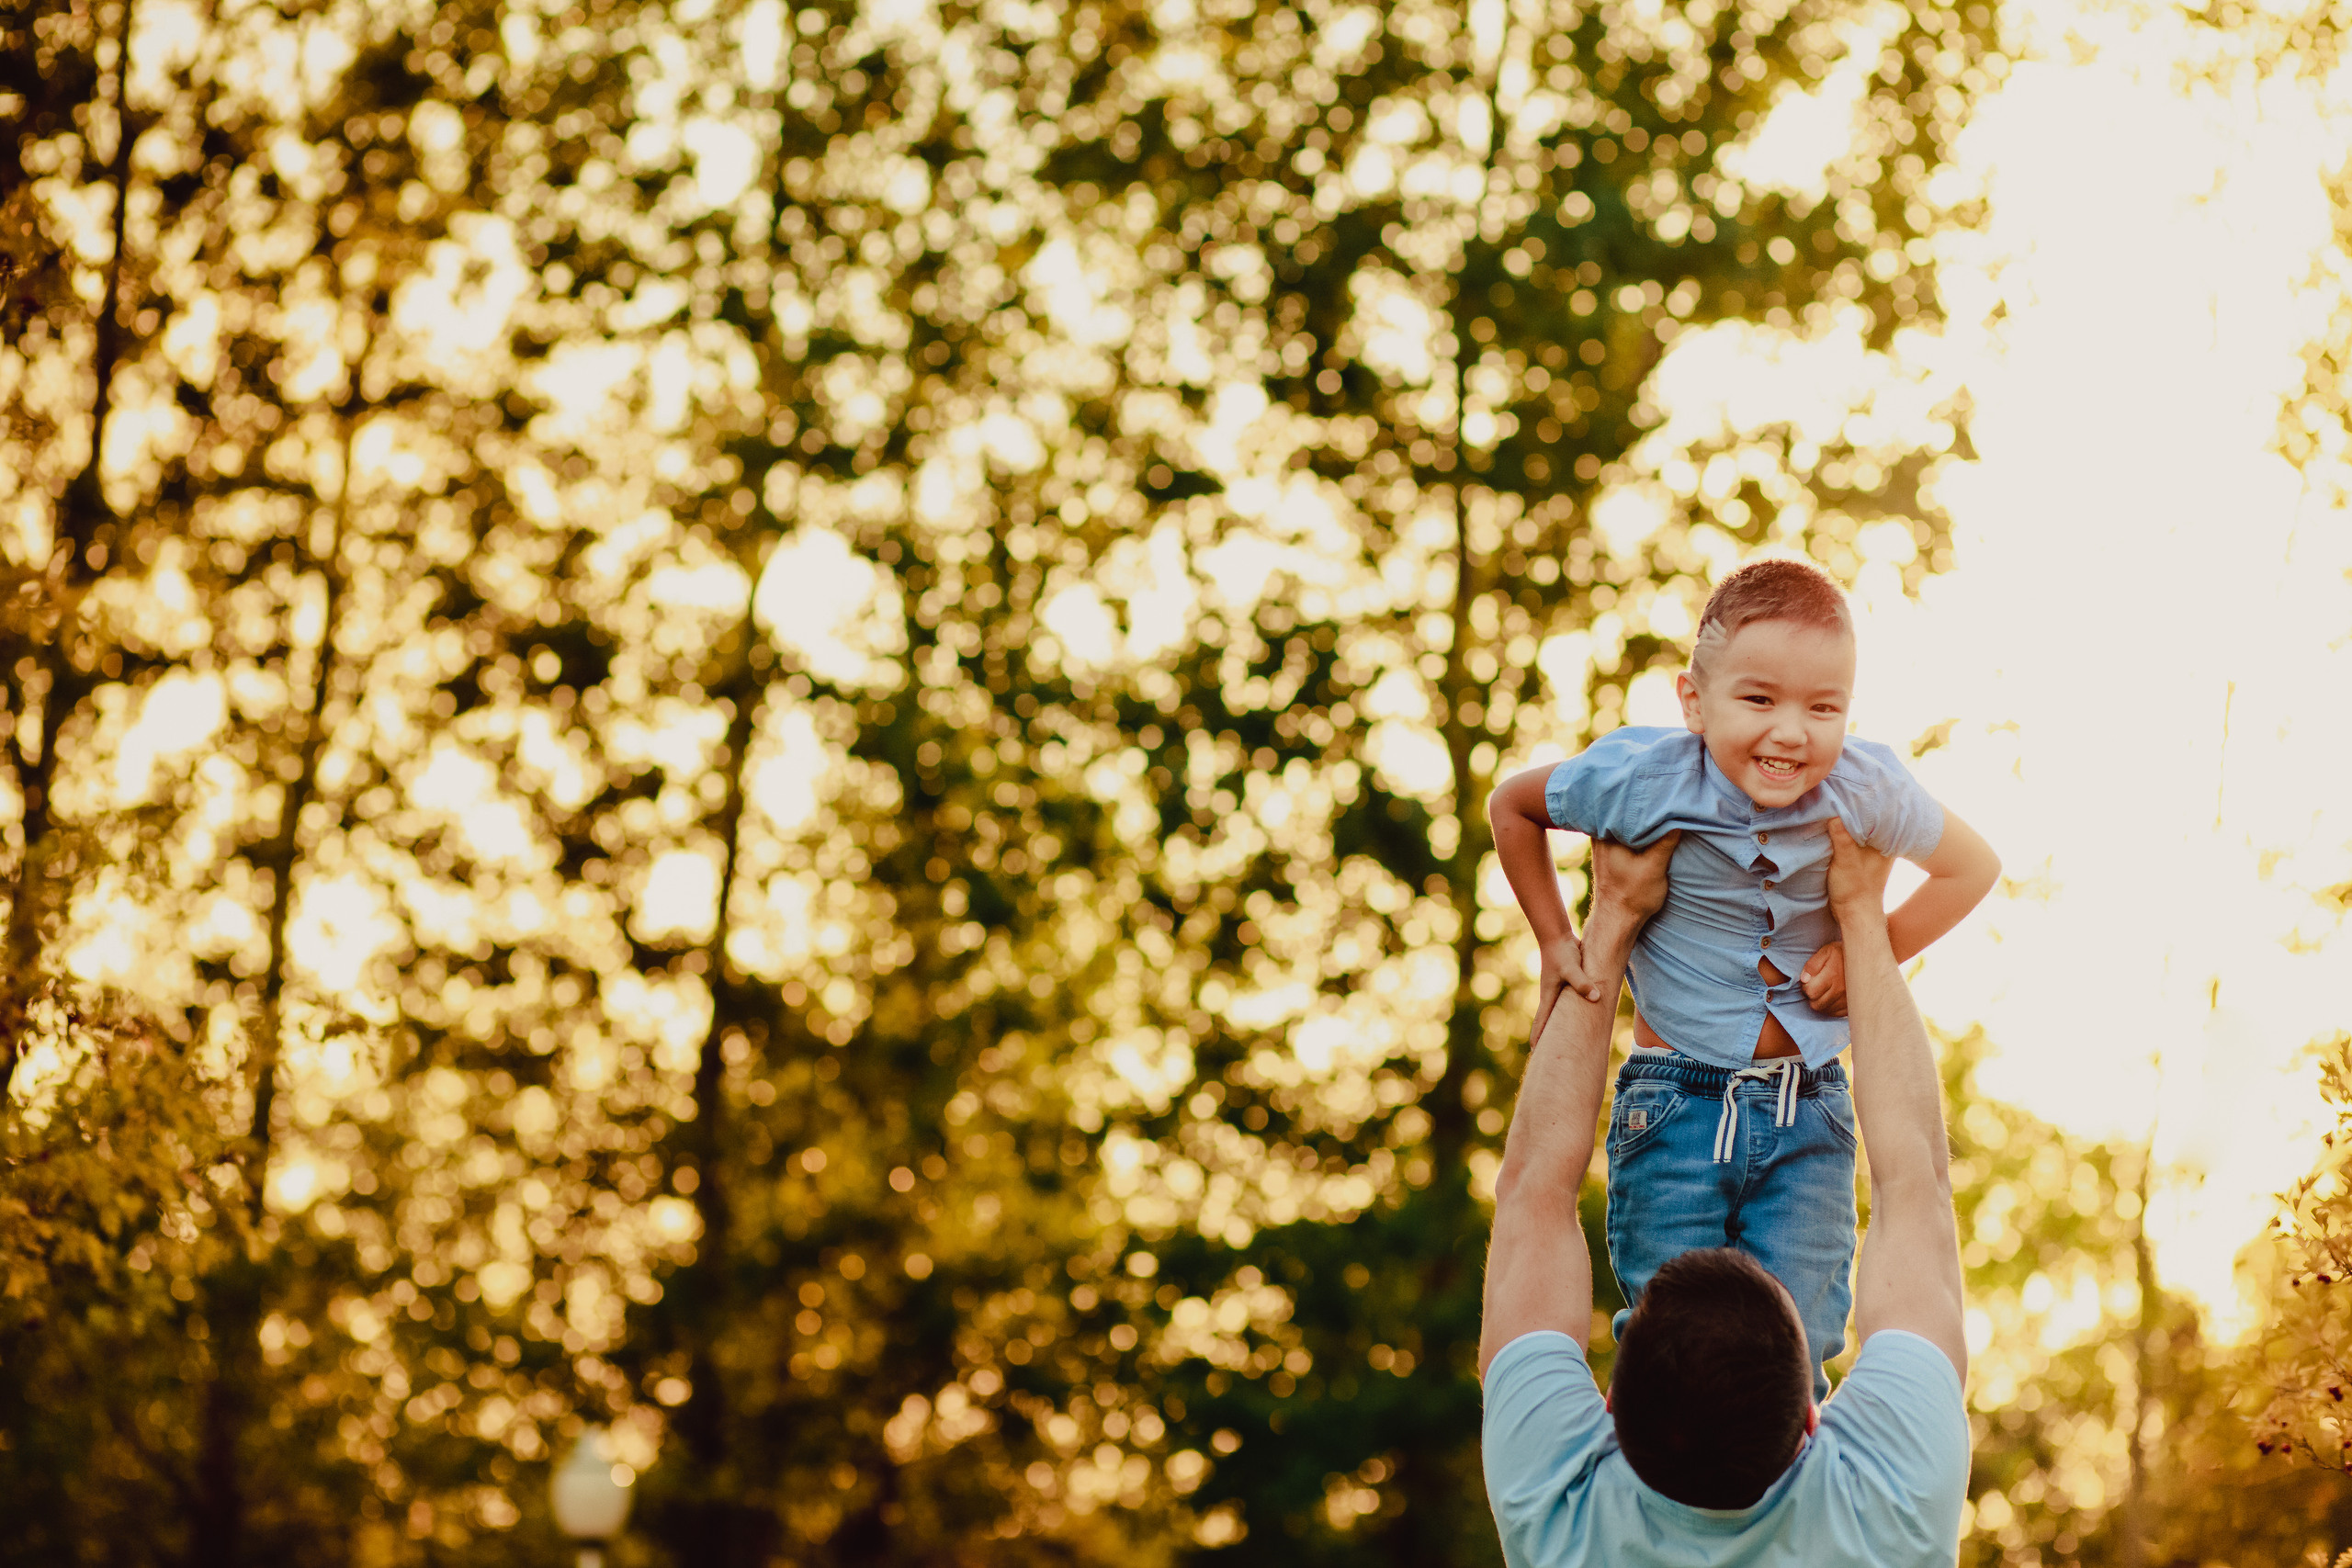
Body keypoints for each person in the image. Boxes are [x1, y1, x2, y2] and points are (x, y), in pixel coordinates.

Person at [1487, 558, 1998, 1393]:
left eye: (1823, 707)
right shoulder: (1643, 777)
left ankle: (1792, 1466)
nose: (1792, 732)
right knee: (1670, 1339)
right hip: (1675, 1101)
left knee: (1798, 1343)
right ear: (1694, 701)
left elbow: (1972, 866)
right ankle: (1654, 1458)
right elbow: (1514, 805)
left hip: (1810, 1104)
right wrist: (1553, 939)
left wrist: (1872, 951)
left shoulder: (1865, 787)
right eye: (1759, 700)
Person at [1478, 823, 1969, 1564]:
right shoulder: (1550, 1514)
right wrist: (1861, 920)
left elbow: (1916, 1190)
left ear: (1613, 1409)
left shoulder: (1895, 1518)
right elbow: (1531, 1194)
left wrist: (1614, 918)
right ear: (1810, 1418)